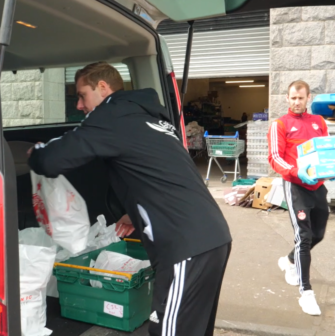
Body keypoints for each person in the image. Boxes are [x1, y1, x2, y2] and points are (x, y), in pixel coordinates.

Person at [27, 62, 232, 335]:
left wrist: (35, 153)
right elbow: (155, 173)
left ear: (102, 87)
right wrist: (133, 211)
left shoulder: (111, 115)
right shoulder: (149, 118)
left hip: (185, 245)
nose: (78, 105)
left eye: (81, 95)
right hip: (209, 237)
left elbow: (52, 160)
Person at [267, 80, 332, 316]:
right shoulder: (280, 124)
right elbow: (275, 157)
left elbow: (325, 150)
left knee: (318, 234)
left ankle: (289, 260)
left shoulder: (319, 122)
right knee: (303, 237)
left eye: (301, 98)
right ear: (287, 98)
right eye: (293, 98)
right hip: (295, 186)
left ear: (308, 98)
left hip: (317, 186)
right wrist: (296, 172)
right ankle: (306, 293)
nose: (297, 102)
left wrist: (330, 170)